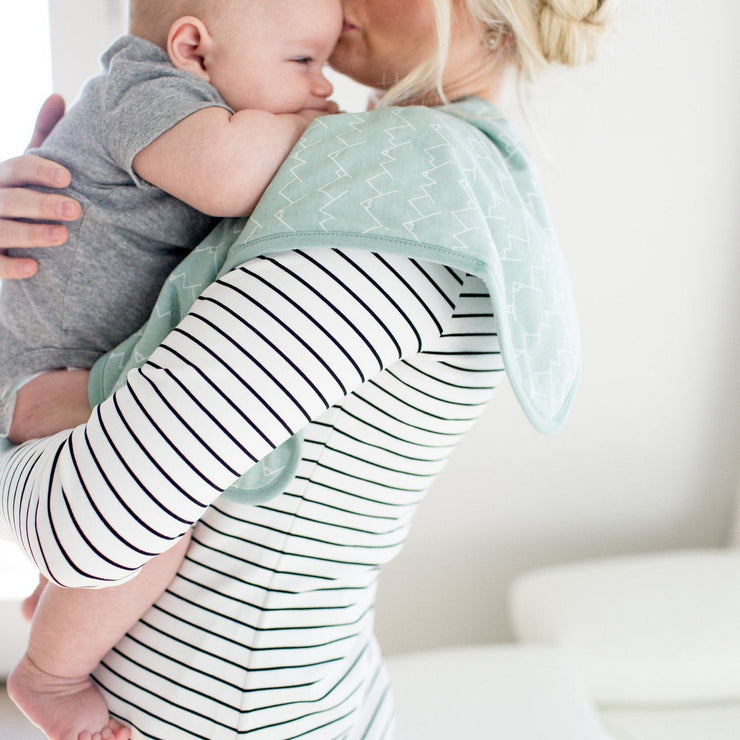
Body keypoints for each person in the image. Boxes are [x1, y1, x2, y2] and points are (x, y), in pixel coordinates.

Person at [0, 1, 616, 738]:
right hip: (279, 694)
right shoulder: (427, 177)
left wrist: (14, 401)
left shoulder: (397, 173)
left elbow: (93, 519)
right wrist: (75, 226)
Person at [0, 0, 341, 738]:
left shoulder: (175, 103)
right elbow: (231, 178)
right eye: (303, 62)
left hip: (65, 360)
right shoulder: (146, 91)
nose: (324, 87)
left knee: (153, 484)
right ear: (193, 48)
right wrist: (319, 131)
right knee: (153, 496)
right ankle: (50, 674)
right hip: (40, 372)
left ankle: (65, 591)